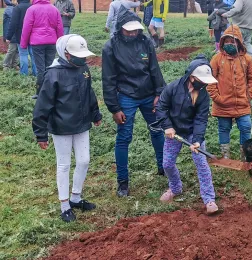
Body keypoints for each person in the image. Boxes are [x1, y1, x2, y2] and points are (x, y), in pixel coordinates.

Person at [32, 34, 101, 223]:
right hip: (61, 126)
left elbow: (89, 92)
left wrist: (95, 113)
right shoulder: (53, 74)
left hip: (82, 123)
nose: (83, 58)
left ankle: (76, 197)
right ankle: (64, 205)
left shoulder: (83, 69)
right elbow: (43, 105)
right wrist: (41, 133)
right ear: (66, 54)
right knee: (64, 164)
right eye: (78, 55)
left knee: (84, 160)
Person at [102, 6, 166, 197]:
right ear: (120, 28)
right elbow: (108, 79)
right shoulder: (110, 47)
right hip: (126, 97)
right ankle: (123, 182)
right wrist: (114, 107)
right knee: (124, 137)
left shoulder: (145, 42)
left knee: (157, 129)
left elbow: (154, 69)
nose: (132, 33)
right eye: (128, 29)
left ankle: (163, 167)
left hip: (148, 95)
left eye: (135, 29)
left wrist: (158, 94)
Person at [156, 54, 219, 215]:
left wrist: (197, 140)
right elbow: (162, 108)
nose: (204, 84)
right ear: (192, 77)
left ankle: (209, 199)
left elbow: (201, 119)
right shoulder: (172, 88)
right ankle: (175, 188)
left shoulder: (203, 95)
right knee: (167, 164)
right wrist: (168, 127)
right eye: (202, 81)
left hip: (192, 132)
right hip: (174, 131)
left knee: (202, 164)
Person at [208, 25, 252, 160]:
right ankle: (226, 156)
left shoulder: (246, 59)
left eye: (233, 41)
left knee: (246, 126)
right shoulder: (217, 59)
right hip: (222, 104)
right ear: (223, 42)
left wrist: (249, 95)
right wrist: (217, 98)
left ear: (239, 43)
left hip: (242, 103)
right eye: (227, 41)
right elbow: (210, 80)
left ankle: (244, 154)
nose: (230, 44)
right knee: (224, 128)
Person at [21, 0, 63, 99]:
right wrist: (60, 43)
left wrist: (23, 44)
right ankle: (52, 91)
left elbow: (26, 27)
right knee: (50, 67)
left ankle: (39, 92)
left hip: (37, 43)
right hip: (52, 41)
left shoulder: (32, 9)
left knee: (41, 69)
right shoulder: (54, 9)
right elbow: (59, 27)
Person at [221, 0, 252, 65]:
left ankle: (234, 62)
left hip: (240, 26)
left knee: (234, 44)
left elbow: (237, 9)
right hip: (250, 26)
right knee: (246, 43)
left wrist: (226, 14)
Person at [5, 0, 36, 76]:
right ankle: (36, 73)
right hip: (33, 35)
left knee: (23, 54)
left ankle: (24, 74)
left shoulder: (17, 8)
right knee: (33, 55)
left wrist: (8, 37)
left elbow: (13, 23)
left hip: (20, 36)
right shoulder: (33, 7)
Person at [2, 0, 19, 71]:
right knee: (12, 50)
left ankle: (14, 64)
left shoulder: (14, 8)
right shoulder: (10, 8)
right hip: (11, 33)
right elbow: (15, 20)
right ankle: (5, 65)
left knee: (16, 50)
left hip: (15, 33)